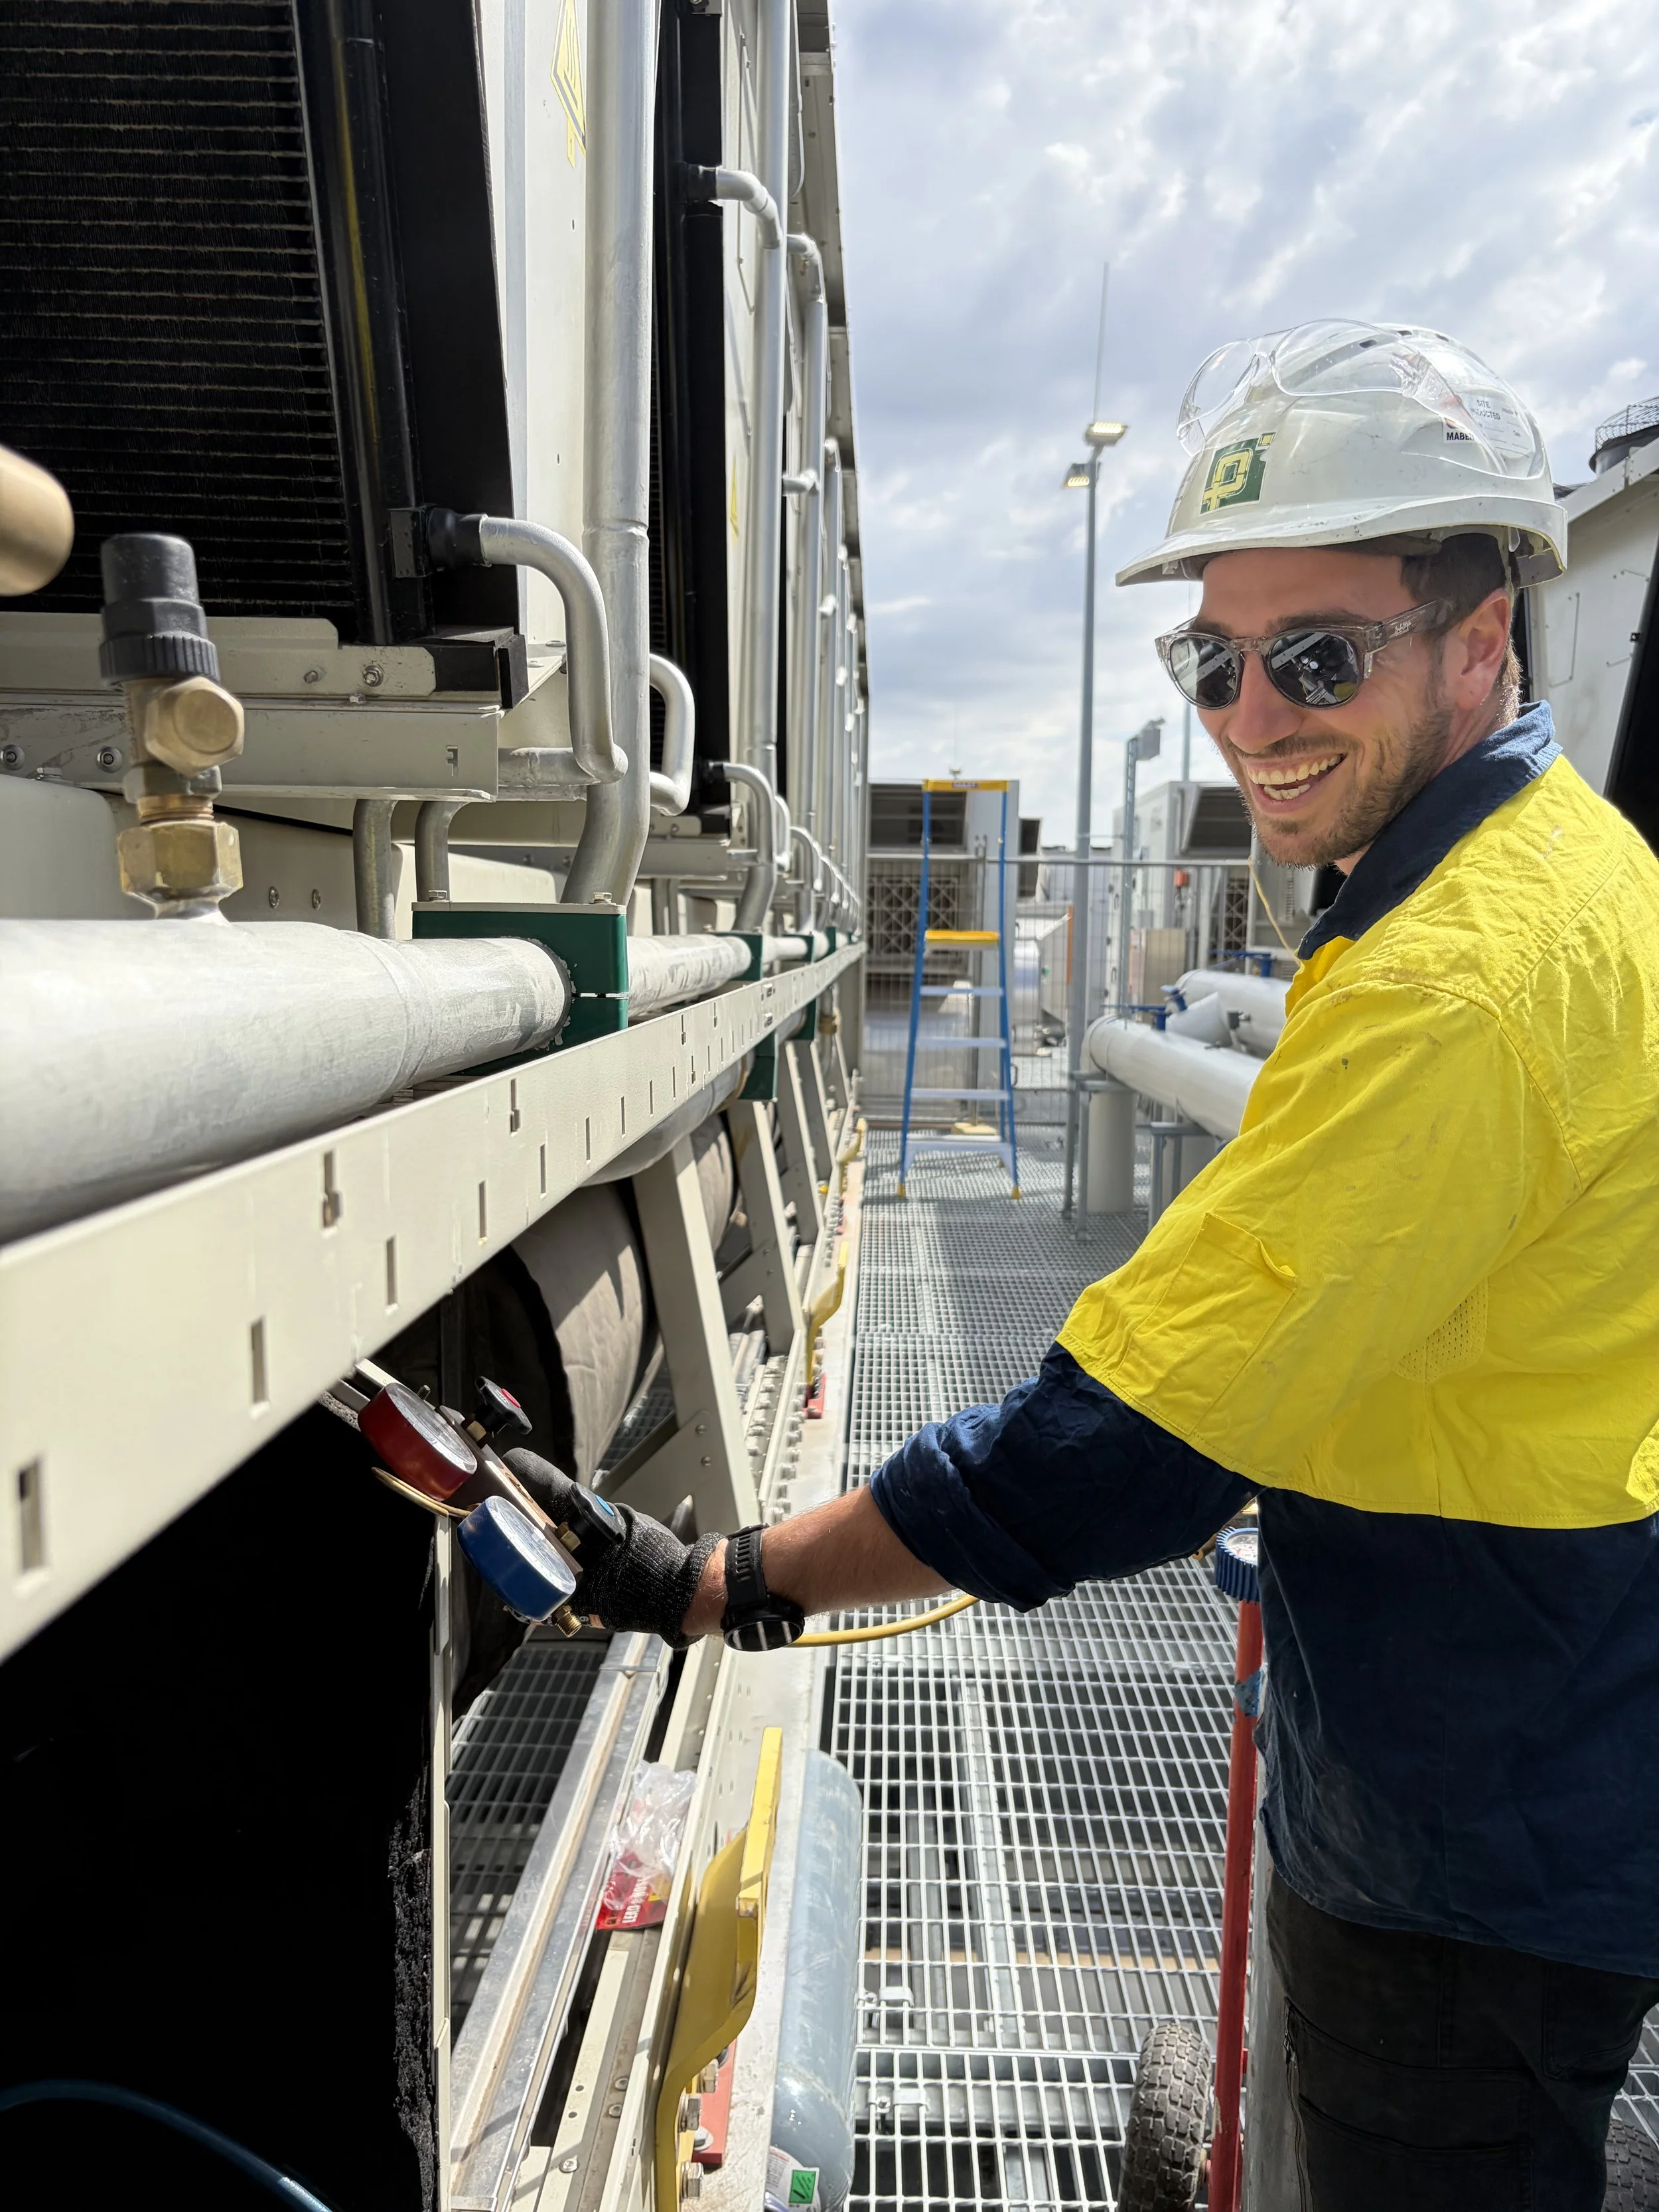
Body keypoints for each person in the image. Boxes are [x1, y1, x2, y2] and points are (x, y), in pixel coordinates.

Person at [513, 322, 1659, 2210]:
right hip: (1541, 1676)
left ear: (1484, 636)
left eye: (1314, 656)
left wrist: (728, 1578)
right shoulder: (1559, 865)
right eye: (1211, 660)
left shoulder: (1464, 974)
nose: (1249, 715)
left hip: (1480, 1797)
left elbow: (1119, 1445)